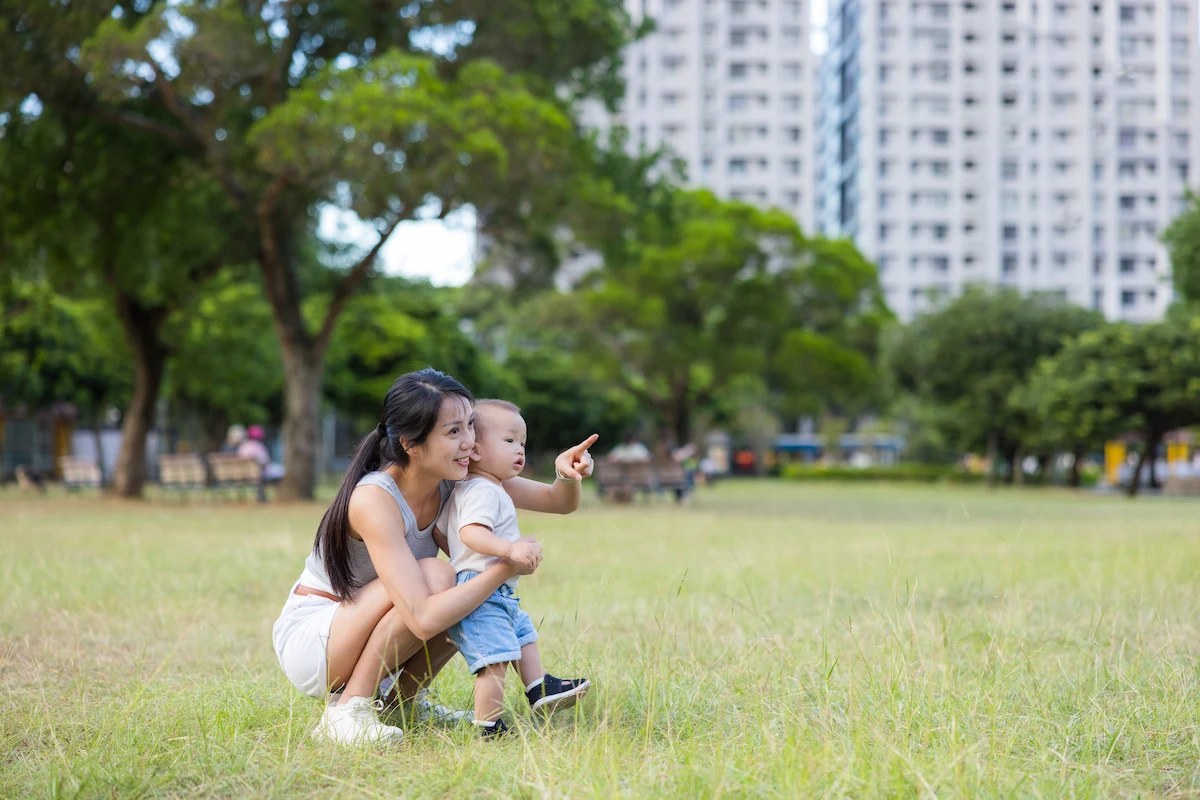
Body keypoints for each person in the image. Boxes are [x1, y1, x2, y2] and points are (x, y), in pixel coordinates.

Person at [271, 368, 597, 745]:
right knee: (441, 577)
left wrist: (567, 474)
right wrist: (505, 563)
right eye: (453, 431)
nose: (469, 442)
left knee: (456, 585)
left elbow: (557, 502)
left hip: (370, 625)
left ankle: (401, 704)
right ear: (411, 443)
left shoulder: (456, 476)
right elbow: (424, 620)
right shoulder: (375, 498)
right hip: (318, 640)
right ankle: (346, 710)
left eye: (471, 426)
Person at [437, 399, 591, 738]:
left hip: (497, 590)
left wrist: (567, 475)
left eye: (522, 442)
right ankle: (487, 725)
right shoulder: (481, 490)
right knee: (495, 661)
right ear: (475, 450)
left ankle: (539, 687)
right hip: (479, 590)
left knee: (523, 636)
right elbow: (470, 533)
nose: (519, 450)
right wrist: (510, 550)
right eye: (509, 441)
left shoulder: (490, 487)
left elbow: (558, 501)